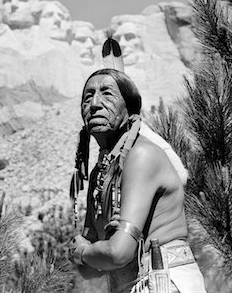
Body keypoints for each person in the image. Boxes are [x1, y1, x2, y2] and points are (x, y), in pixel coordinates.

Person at [68, 68, 206, 293]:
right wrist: (92, 254)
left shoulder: (141, 155)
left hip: (164, 281)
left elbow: (116, 253)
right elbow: (91, 270)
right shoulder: (99, 174)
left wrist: (83, 253)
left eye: (107, 94)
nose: (94, 103)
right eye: (87, 96)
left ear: (129, 108)